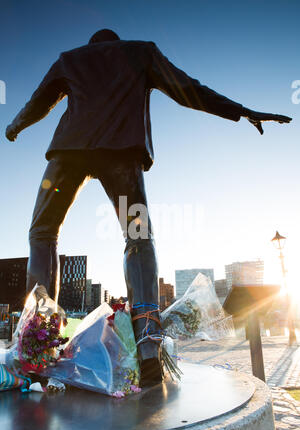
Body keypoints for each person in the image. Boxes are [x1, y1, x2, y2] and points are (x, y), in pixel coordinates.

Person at [5, 29, 292, 385]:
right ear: (114, 41)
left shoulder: (69, 59)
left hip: (69, 155)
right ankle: (146, 338)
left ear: (92, 44)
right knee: (137, 238)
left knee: (43, 232)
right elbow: (189, 90)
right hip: (121, 156)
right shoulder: (140, 52)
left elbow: (38, 101)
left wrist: (15, 126)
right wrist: (241, 111)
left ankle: (38, 343)